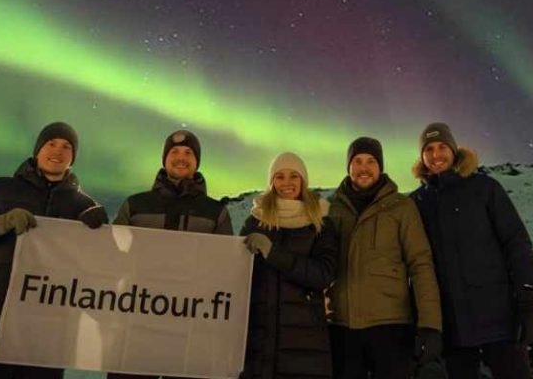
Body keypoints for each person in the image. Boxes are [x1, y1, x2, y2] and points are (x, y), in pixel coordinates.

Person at [0, 121, 108, 379]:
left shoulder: (83, 206)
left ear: (73, 157)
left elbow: (101, 271)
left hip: (46, 338)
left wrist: (101, 232)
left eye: (67, 146)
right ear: (38, 149)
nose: (58, 151)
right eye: (51, 143)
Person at [410, 122, 533, 379]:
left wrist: (529, 301)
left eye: (442, 147)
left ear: (454, 150)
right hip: (453, 327)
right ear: (422, 156)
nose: (436, 155)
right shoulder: (417, 202)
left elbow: (517, 244)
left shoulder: (485, 188)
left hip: (499, 319)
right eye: (429, 149)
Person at [108, 129, 232, 379]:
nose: (181, 157)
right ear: (164, 159)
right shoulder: (135, 205)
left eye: (188, 152)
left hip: (191, 326)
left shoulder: (215, 212)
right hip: (137, 323)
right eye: (174, 152)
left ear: (197, 161)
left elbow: (225, 268)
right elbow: (111, 256)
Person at [326, 136, 443, 379]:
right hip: (342, 328)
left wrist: (430, 325)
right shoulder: (330, 209)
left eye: (371, 161)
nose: (364, 168)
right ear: (349, 168)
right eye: (357, 161)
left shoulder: (401, 207)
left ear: (380, 166)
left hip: (391, 327)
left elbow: (420, 264)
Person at [239, 152, 337, 379]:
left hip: (305, 342)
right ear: (272, 182)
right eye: (280, 177)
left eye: (294, 176)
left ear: (303, 180)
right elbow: (239, 270)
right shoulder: (256, 219)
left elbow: (323, 274)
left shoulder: (320, 221)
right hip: (260, 339)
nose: (287, 183)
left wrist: (273, 252)